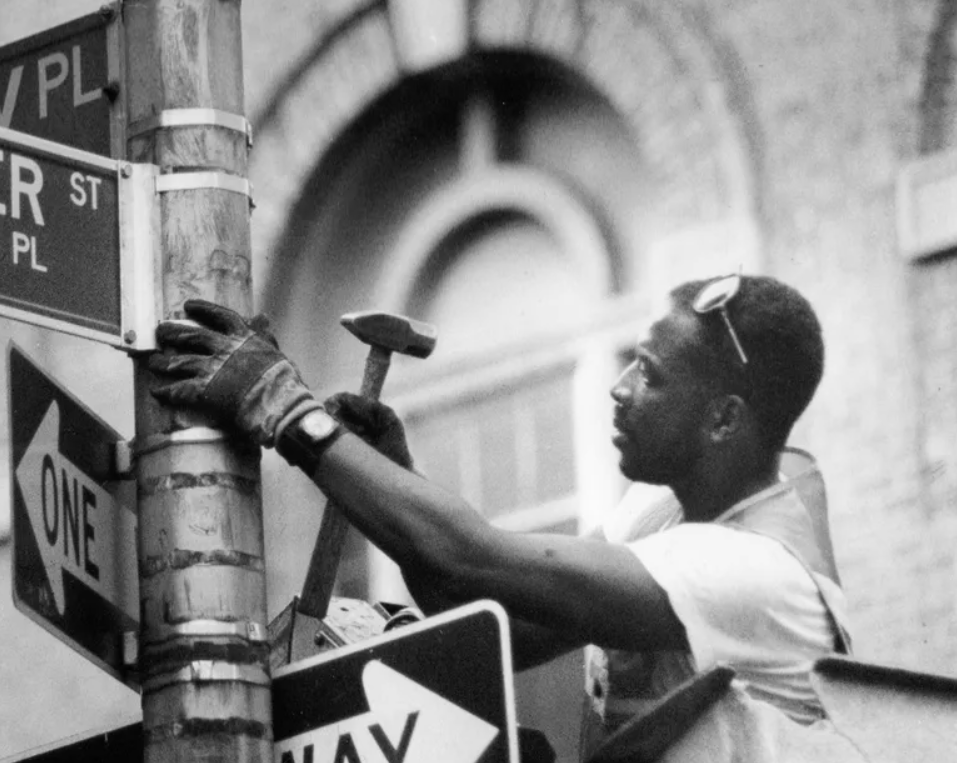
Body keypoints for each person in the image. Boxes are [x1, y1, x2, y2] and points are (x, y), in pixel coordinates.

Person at [145, 274, 851, 758]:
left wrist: (283, 408)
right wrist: (394, 470)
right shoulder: (668, 507)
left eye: (652, 376)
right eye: (633, 361)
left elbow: (473, 556)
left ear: (724, 419)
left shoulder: (757, 574)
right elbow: (495, 622)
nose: (619, 387)